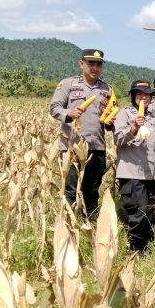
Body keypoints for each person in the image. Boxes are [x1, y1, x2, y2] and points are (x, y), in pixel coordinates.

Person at [50, 48, 115, 220]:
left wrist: (110, 122)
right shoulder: (69, 84)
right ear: (82, 64)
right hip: (72, 146)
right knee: (70, 189)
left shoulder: (107, 89)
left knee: (92, 190)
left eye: (98, 64)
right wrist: (69, 114)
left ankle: (91, 223)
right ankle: (68, 224)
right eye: (91, 63)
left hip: (97, 146)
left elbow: (110, 116)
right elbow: (54, 108)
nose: (95, 67)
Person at [113, 80, 155, 252]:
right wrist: (134, 127)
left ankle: (149, 246)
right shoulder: (124, 114)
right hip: (133, 174)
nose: (143, 97)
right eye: (138, 94)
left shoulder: (153, 120)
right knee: (138, 213)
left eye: (146, 94)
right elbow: (118, 139)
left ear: (151, 98)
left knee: (154, 213)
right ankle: (136, 249)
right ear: (133, 96)